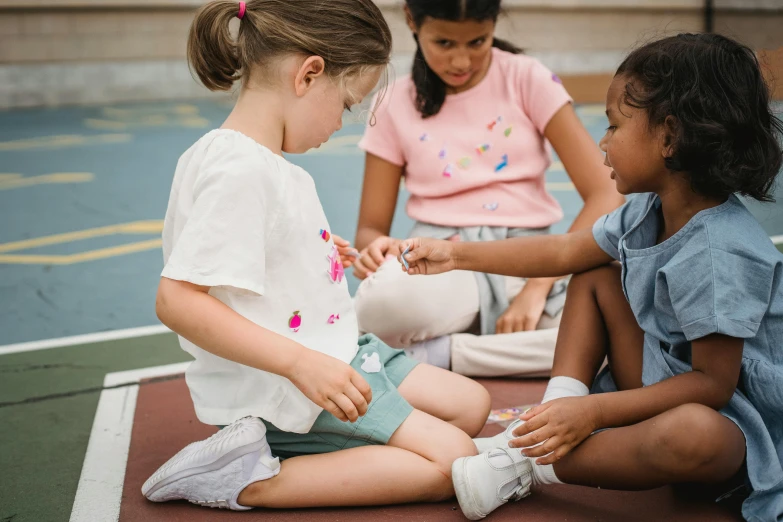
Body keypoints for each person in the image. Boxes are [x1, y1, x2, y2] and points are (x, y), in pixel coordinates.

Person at [401, 33, 783, 521]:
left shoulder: (718, 252)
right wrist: (456, 255)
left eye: (614, 126)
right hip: (664, 380)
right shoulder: (648, 209)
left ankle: (529, 461)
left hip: (734, 428)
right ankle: (548, 423)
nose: (603, 143)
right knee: (594, 275)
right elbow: (564, 249)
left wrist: (595, 414)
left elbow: (712, 385)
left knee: (692, 434)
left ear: (669, 137)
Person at [141, 0, 490, 511]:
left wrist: (321, 252)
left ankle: (348, 446)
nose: (343, 122)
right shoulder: (240, 170)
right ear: (308, 74)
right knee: (452, 459)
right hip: (288, 385)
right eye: (347, 104)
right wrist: (301, 364)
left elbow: (258, 253)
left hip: (333, 352)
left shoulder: (265, 163)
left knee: (470, 405)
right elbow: (177, 300)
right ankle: (244, 479)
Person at [351, 0, 624, 378]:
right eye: (444, 44)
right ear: (412, 20)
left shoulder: (528, 78)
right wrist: (377, 250)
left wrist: (536, 289)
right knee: (378, 306)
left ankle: (445, 354)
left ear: (494, 24)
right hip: (440, 263)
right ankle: (490, 348)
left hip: (529, 260)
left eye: (477, 42)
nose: (461, 61)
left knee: (619, 342)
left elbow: (607, 193)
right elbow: (369, 230)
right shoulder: (395, 100)